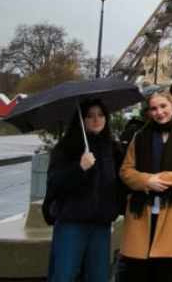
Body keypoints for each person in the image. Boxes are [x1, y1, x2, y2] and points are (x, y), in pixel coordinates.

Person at [120, 91, 172, 281]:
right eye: (154, 109)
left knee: (170, 273)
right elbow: (126, 171)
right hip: (141, 214)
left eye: (163, 106)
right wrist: (147, 181)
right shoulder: (139, 137)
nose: (159, 112)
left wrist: (162, 178)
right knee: (138, 273)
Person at [46, 100, 123, 282]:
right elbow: (54, 183)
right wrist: (79, 168)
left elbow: (121, 182)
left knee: (98, 276)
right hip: (72, 223)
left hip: (101, 225)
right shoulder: (66, 148)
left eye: (100, 115)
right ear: (81, 120)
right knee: (65, 274)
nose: (96, 120)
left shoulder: (113, 149)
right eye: (89, 116)